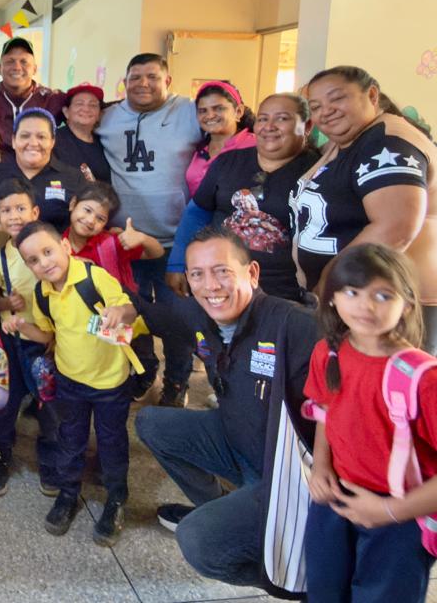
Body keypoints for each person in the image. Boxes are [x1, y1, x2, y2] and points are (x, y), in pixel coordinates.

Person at [134, 226, 319, 595]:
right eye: (197, 274)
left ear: (251, 273)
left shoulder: (295, 325)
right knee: (151, 422)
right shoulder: (203, 316)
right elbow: (165, 319)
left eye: (222, 271)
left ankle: (297, 579)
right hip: (237, 442)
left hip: (285, 475)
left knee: (198, 540)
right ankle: (221, 507)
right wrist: (128, 307)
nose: (211, 286)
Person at [304, 244, 436, 602]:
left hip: (401, 514)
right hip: (336, 498)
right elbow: (324, 410)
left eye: (383, 294)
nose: (366, 306)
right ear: (332, 298)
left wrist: (388, 511)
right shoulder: (328, 352)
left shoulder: (423, 378)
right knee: (323, 590)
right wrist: (321, 466)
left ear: (408, 303)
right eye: (351, 292)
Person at [5, 221, 139, 546]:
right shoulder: (42, 293)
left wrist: (120, 311)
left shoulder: (95, 278)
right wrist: (23, 326)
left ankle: (116, 499)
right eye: (34, 260)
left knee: (111, 442)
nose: (44, 263)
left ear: (65, 247)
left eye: (48, 251)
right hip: (69, 381)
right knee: (69, 438)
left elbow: (132, 310)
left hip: (110, 383)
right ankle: (68, 493)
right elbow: (48, 334)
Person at [290, 66, 436, 353]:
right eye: (316, 106)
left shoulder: (388, 141)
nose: (326, 111)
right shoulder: (350, 140)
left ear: (371, 95)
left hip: (389, 305)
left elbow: (395, 228)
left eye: (337, 99)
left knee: (390, 391)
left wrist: (333, 283)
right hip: (357, 298)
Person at [97, 53, 203, 407]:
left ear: (168, 81)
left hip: (178, 241)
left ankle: (176, 382)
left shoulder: (189, 112)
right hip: (125, 242)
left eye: (152, 77)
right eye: (135, 77)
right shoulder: (108, 117)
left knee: (178, 319)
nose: (143, 83)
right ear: (124, 82)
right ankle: (143, 371)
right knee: (132, 312)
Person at [167, 93, 319, 302]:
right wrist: (177, 263)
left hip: (285, 293)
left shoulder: (319, 170)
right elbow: (197, 211)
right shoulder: (227, 162)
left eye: (282, 118)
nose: (269, 126)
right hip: (220, 285)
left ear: (307, 125)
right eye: (263, 119)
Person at [0, 178, 61, 497]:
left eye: (20, 208)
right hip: (11, 341)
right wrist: (7, 304)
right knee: (5, 402)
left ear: (35, 211)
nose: (14, 216)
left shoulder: (51, 250)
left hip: (45, 341)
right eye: (6, 210)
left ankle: (51, 461)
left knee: (49, 404)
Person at [62, 181, 164, 399]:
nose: (90, 220)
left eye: (100, 218)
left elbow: (155, 253)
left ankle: (141, 379)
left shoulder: (111, 244)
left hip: (120, 322)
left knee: (129, 366)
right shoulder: (56, 248)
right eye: (87, 210)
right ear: (73, 204)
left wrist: (143, 238)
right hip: (78, 329)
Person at [0, 108, 86, 230]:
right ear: (14, 141)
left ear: (52, 142)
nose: (33, 143)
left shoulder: (73, 178)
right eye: (25, 136)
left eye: (41, 137)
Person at [0, 37, 66, 166]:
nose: (17, 67)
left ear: (34, 69)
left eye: (24, 62)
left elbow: (89, 108)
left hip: (40, 179)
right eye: (10, 61)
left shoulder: (52, 98)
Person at [185, 80, 256, 195]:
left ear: (238, 112)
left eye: (219, 108)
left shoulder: (256, 145)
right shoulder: (200, 149)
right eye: (203, 111)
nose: (210, 116)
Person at [55, 83, 111, 183]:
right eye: (79, 103)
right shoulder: (52, 140)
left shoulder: (105, 142)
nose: (86, 109)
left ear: (99, 114)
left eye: (93, 105)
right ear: (66, 112)